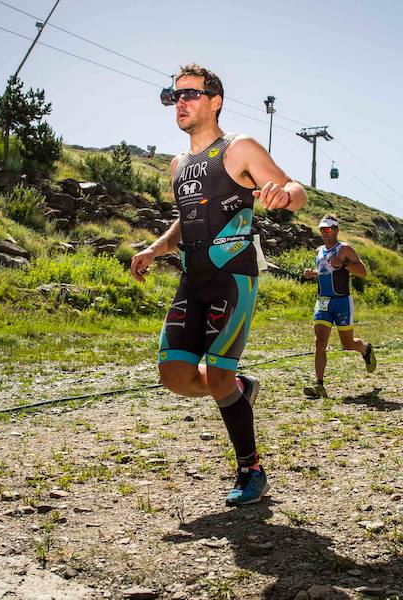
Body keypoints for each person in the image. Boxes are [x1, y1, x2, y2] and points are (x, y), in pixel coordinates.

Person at [130, 64, 307, 506]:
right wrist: (154, 249)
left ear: (215, 101)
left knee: (219, 376)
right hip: (192, 279)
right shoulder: (178, 165)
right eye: (174, 95)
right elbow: (186, 221)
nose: (180, 102)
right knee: (173, 375)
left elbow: (295, 188)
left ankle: (251, 469)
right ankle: (239, 390)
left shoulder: (238, 147)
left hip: (233, 277)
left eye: (189, 93)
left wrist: (285, 195)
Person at [301, 214, 376, 398]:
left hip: (342, 302)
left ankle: (366, 350)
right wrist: (313, 274)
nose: (324, 233)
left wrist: (343, 264)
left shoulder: (345, 249)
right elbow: (325, 271)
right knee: (320, 342)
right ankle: (319, 384)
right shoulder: (319, 250)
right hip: (323, 301)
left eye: (327, 229)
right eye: (321, 229)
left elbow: (363, 272)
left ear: (336, 230)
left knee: (348, 344)